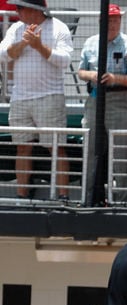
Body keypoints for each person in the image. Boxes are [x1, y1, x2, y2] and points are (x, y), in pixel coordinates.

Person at [0, 0, 73, 201]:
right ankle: (21, 195)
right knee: (22, 146)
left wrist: (39, 46)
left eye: (19, 8)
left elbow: (65, 60)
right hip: (20, 97)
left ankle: (63, 196)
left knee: (56, 147)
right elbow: (2, 55)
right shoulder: (15, 28)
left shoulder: (58, 27)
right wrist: (24, 43)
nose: (17, 12)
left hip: (49, 96)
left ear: (34, 10)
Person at [78, 4, 127, 201]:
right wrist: (92, 75)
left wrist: (114, 78)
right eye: (109, 20)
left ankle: (122, 200)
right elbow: (80, 72)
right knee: (90, 148)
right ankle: (88, 197)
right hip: (94, 98)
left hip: (120, 99)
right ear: (101, 22)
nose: (113, 24)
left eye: (116, 20)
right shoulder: (90, 43)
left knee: (120, 150)